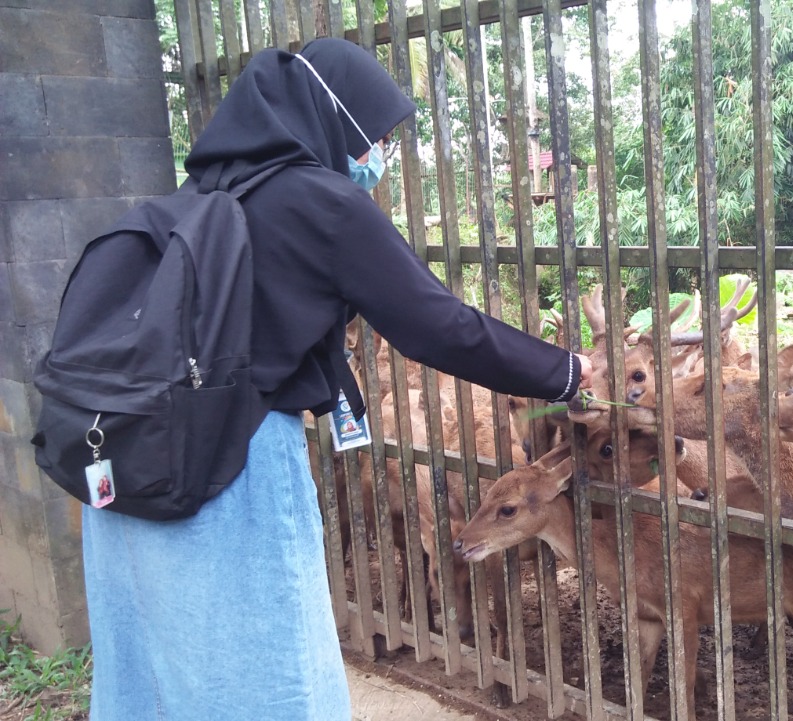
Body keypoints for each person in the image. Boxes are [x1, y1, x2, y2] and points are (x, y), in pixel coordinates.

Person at [80, 37, 592, 721]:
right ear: (338, 118)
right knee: (266, 664)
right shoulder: (320, 203)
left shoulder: (201, 193)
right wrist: (566, 371)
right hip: (229, 466)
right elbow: (439, 325)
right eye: (377, 135)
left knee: (156, 666)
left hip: (122, 469)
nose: (378, 154)